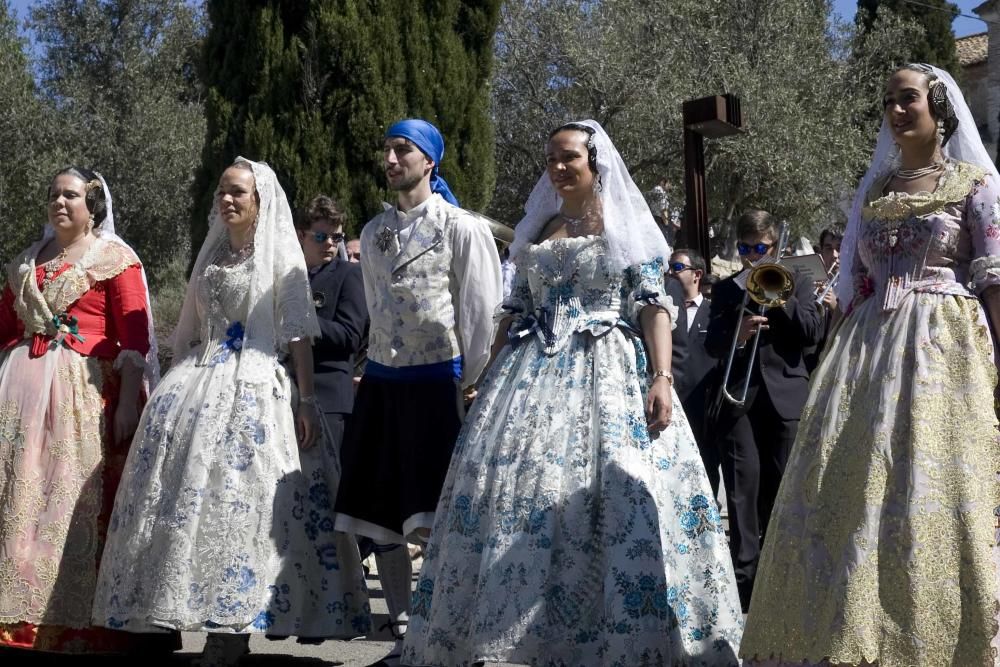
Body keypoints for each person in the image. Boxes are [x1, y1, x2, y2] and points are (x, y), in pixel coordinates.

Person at [402, 120, 743, 667]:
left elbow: (653, 306)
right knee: (519, 499)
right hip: (528, 375)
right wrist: (486, 378)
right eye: (552, 160)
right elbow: (514, 313)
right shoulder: (538, 226)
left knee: (608, 500)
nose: (559, 168)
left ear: (595, 163)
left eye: (570, 159)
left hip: (607, 368)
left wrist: (660, 377)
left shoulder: (626, 228)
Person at [740, 64, 1000, 666]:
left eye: (908, 98)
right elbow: (855, 283)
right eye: (889, 101)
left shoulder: (974, 184)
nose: (897, 110)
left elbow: (992, 278)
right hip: (864, 350)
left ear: (938, 106)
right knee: (851, 490)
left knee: (930, 486)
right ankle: (849, 634)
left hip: (942, 351)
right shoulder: (875, 190)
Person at [92, 159, 370, 667]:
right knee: (192, 502)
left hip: (257, 384)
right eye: (222, 191)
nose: (227, 199)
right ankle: (187, 608)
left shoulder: (281, 257)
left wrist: (305, 400)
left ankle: (234, 624)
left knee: (243, 506)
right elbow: (194, 329)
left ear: (260, 200)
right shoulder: (215, 253)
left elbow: (297, 335)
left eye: (237, 191)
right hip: (201, 379)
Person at [332, 119, 502, 667]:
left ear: (429, 160)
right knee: (381, 516)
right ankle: (405, 634)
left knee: (439, 522)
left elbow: (480, 312)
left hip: (438, 384)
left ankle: (452, 638)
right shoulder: (374, 230)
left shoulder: (461, 228)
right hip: (382, 385)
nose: (390, 159)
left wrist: (472, 382)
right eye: (386, 149)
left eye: (401, 150)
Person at [0, 168, 169, 656]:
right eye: (53, 194)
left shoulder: (114, 260)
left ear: (92, 205)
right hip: (19, 397)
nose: (59, 203)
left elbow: (135, 339)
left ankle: (79, 625)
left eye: (70, 195)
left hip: (85, 396)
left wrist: (130, 400)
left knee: (70, 500)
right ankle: (18, 616)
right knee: (20, 499)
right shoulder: (26, 263)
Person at [705, 209, 822, 612]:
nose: (752, 257)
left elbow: (810, 335)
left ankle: (786, 583)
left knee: (784, 492)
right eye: (745, 248)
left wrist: (780, 296)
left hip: (785, 399)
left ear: (777, 247)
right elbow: (712, 347)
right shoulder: (725, 291)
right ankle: (746, 590)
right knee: (742, 495)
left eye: (760, 248)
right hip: (738, 403)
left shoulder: (800, 283)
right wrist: (737, 334)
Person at [295, 195, 367, 461]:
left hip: (328, 401)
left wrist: (303, 322)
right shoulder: (287, 277)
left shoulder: (349, 275)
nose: (330, 244)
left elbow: (350, 336)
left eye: (336, 238)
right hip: (285, 396)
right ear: (301, 235)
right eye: (321, 237)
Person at [669, 248, 720, 497]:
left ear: (697, 274)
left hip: (703, 407)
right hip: (672, 401)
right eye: (669, 268)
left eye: (677, 268)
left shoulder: (714, 314)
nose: (671, 273)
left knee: (706, 468)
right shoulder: (663, 311)